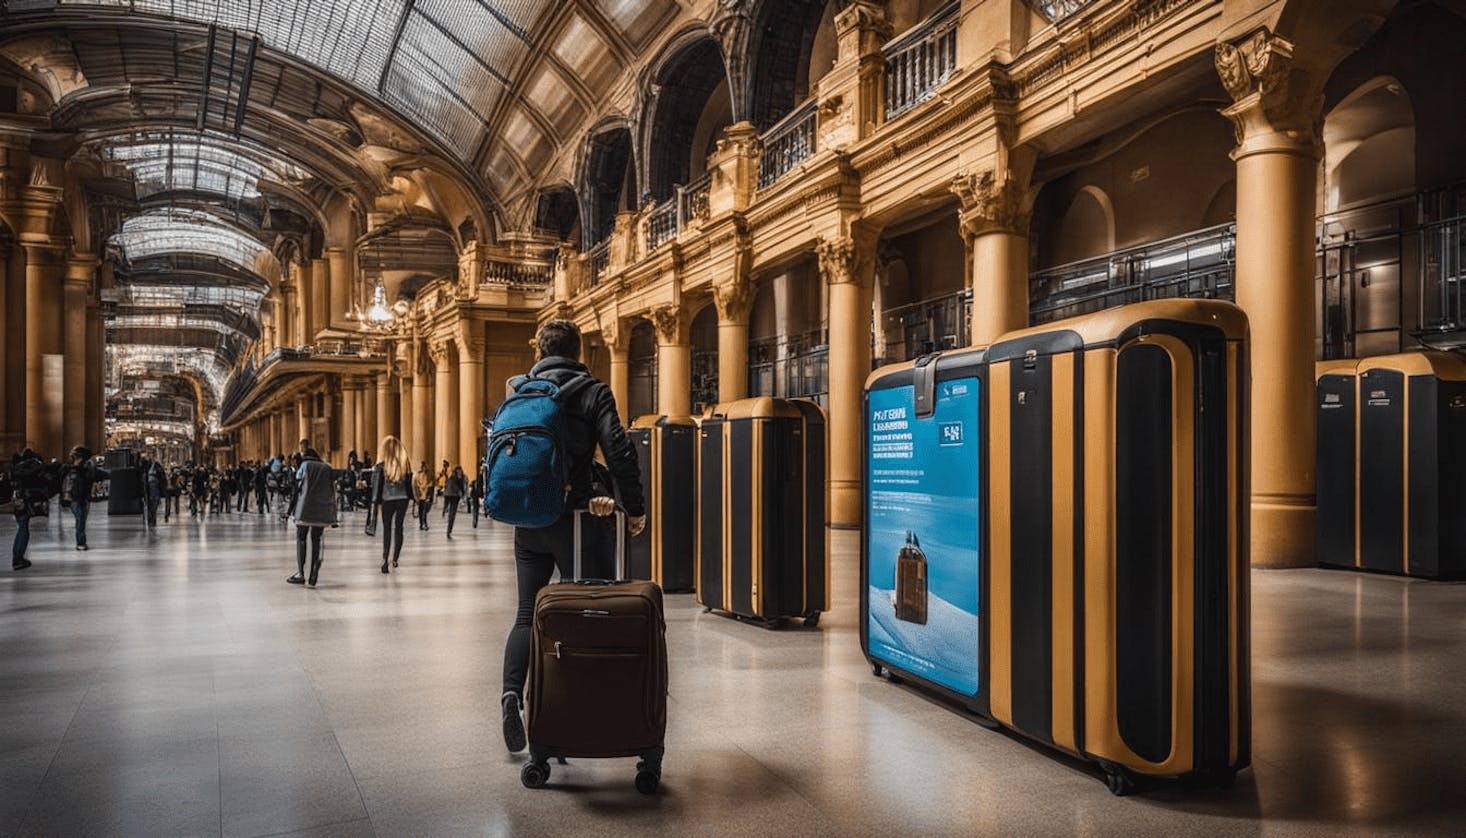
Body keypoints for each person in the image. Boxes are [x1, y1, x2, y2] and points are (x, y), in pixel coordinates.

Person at [499, 319, 647, 754]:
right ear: (578, 350)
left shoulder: (519, 390)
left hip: (529, 520)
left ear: (539, 351)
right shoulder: (591, 390)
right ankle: (572, 712)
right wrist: (633, 506)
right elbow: (618, 448)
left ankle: (512, 695)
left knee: (527, 613)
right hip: (576, 518)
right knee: (587, 610)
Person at [289, 448, 337, 588]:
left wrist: (290, 510)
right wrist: (333, 515)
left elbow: (297, 487)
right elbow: (332, 491)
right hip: (321, 509)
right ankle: (313, 575)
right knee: (316, 540)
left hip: (305, 508)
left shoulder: (305, 466)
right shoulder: (327, 468)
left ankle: (300, 573)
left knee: (301, 538)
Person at [370, 436, 414, 573]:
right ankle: (395, 559)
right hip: (402, 499)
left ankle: (385, 558)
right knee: (399, 527)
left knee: (387, 529)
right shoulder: (404, 463)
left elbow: (374, 483)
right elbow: (409, 480)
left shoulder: (381, 465)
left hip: (387, 499)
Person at [61, 446, 109, 551]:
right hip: (75, 498)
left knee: (81, 519)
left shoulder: (88, 468)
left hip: (83, 497)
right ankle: (81, 543)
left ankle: (81, 542)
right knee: (80, 519)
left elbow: (100, 475)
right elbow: (67, 482)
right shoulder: (70, 468)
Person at [11, 447, 49, 570]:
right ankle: (18, 559)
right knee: (23, 530)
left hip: (18, 499)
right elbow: (45, 480)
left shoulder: (16, 467)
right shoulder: (36, 466)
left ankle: (18, 557)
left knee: (22, 527)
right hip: (29, 500)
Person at [442, 465, 467, 538]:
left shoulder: (452, 477)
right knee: (452, 514)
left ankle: (449, 528)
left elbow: (447, 486)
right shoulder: (457, 478)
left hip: (451, 496)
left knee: (452, 513)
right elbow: (461, 487)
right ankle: (449, 529)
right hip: (453, 496)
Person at [141, 455, 165, 528]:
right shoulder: (154, 467)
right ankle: (152, 517)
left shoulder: (147, 468)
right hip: (152, 485)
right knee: (153, 501)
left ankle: (151, 517)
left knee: (150, 502)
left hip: (149, 485)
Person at [412, 462, 435, 531]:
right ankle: (421, 524)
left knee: (424, 511)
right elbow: (415, 486)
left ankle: (424, 524)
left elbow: (431, 484)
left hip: (426, 495)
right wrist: (415, 496)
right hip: (420, 495)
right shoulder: (417, 475)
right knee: (421, 510)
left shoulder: (429, 474)